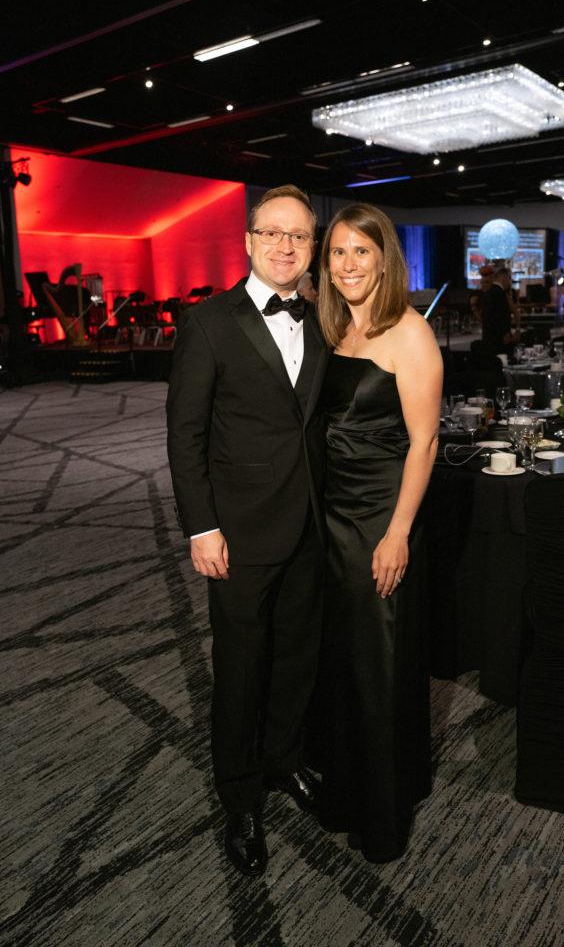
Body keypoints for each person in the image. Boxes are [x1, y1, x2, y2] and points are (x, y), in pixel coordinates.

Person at [166, 184, 329, 877]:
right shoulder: (208, 322)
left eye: (299, 235)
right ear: (249, 241)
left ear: (312, 245)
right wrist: (201, 526)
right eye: (273, 233)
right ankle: (240, 797)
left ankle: (284, 761)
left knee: (297, 657)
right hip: (237, 531)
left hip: (312, 524)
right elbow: (185, 435)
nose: (285, 246)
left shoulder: (325, 317)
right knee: (239, 669)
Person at [312, 202, 443, 862]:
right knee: (341, 662)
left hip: (378, 519)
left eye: (360, 250)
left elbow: (424, 444)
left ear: (385, 258)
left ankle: (383, 813)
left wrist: (398, 534)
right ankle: (345, 791)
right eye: (337, 251)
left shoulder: (409, 332)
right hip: (330, 517)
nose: (348, 264)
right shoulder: (334, 327)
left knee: (379, 665)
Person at [481, 265, 520, 353]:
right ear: (504, 277)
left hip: (489, 337)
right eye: (509, 279)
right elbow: (500, 316)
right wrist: (505, 332)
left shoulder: (489, 292)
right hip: (498, 339)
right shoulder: (500, 293)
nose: (509, 282)